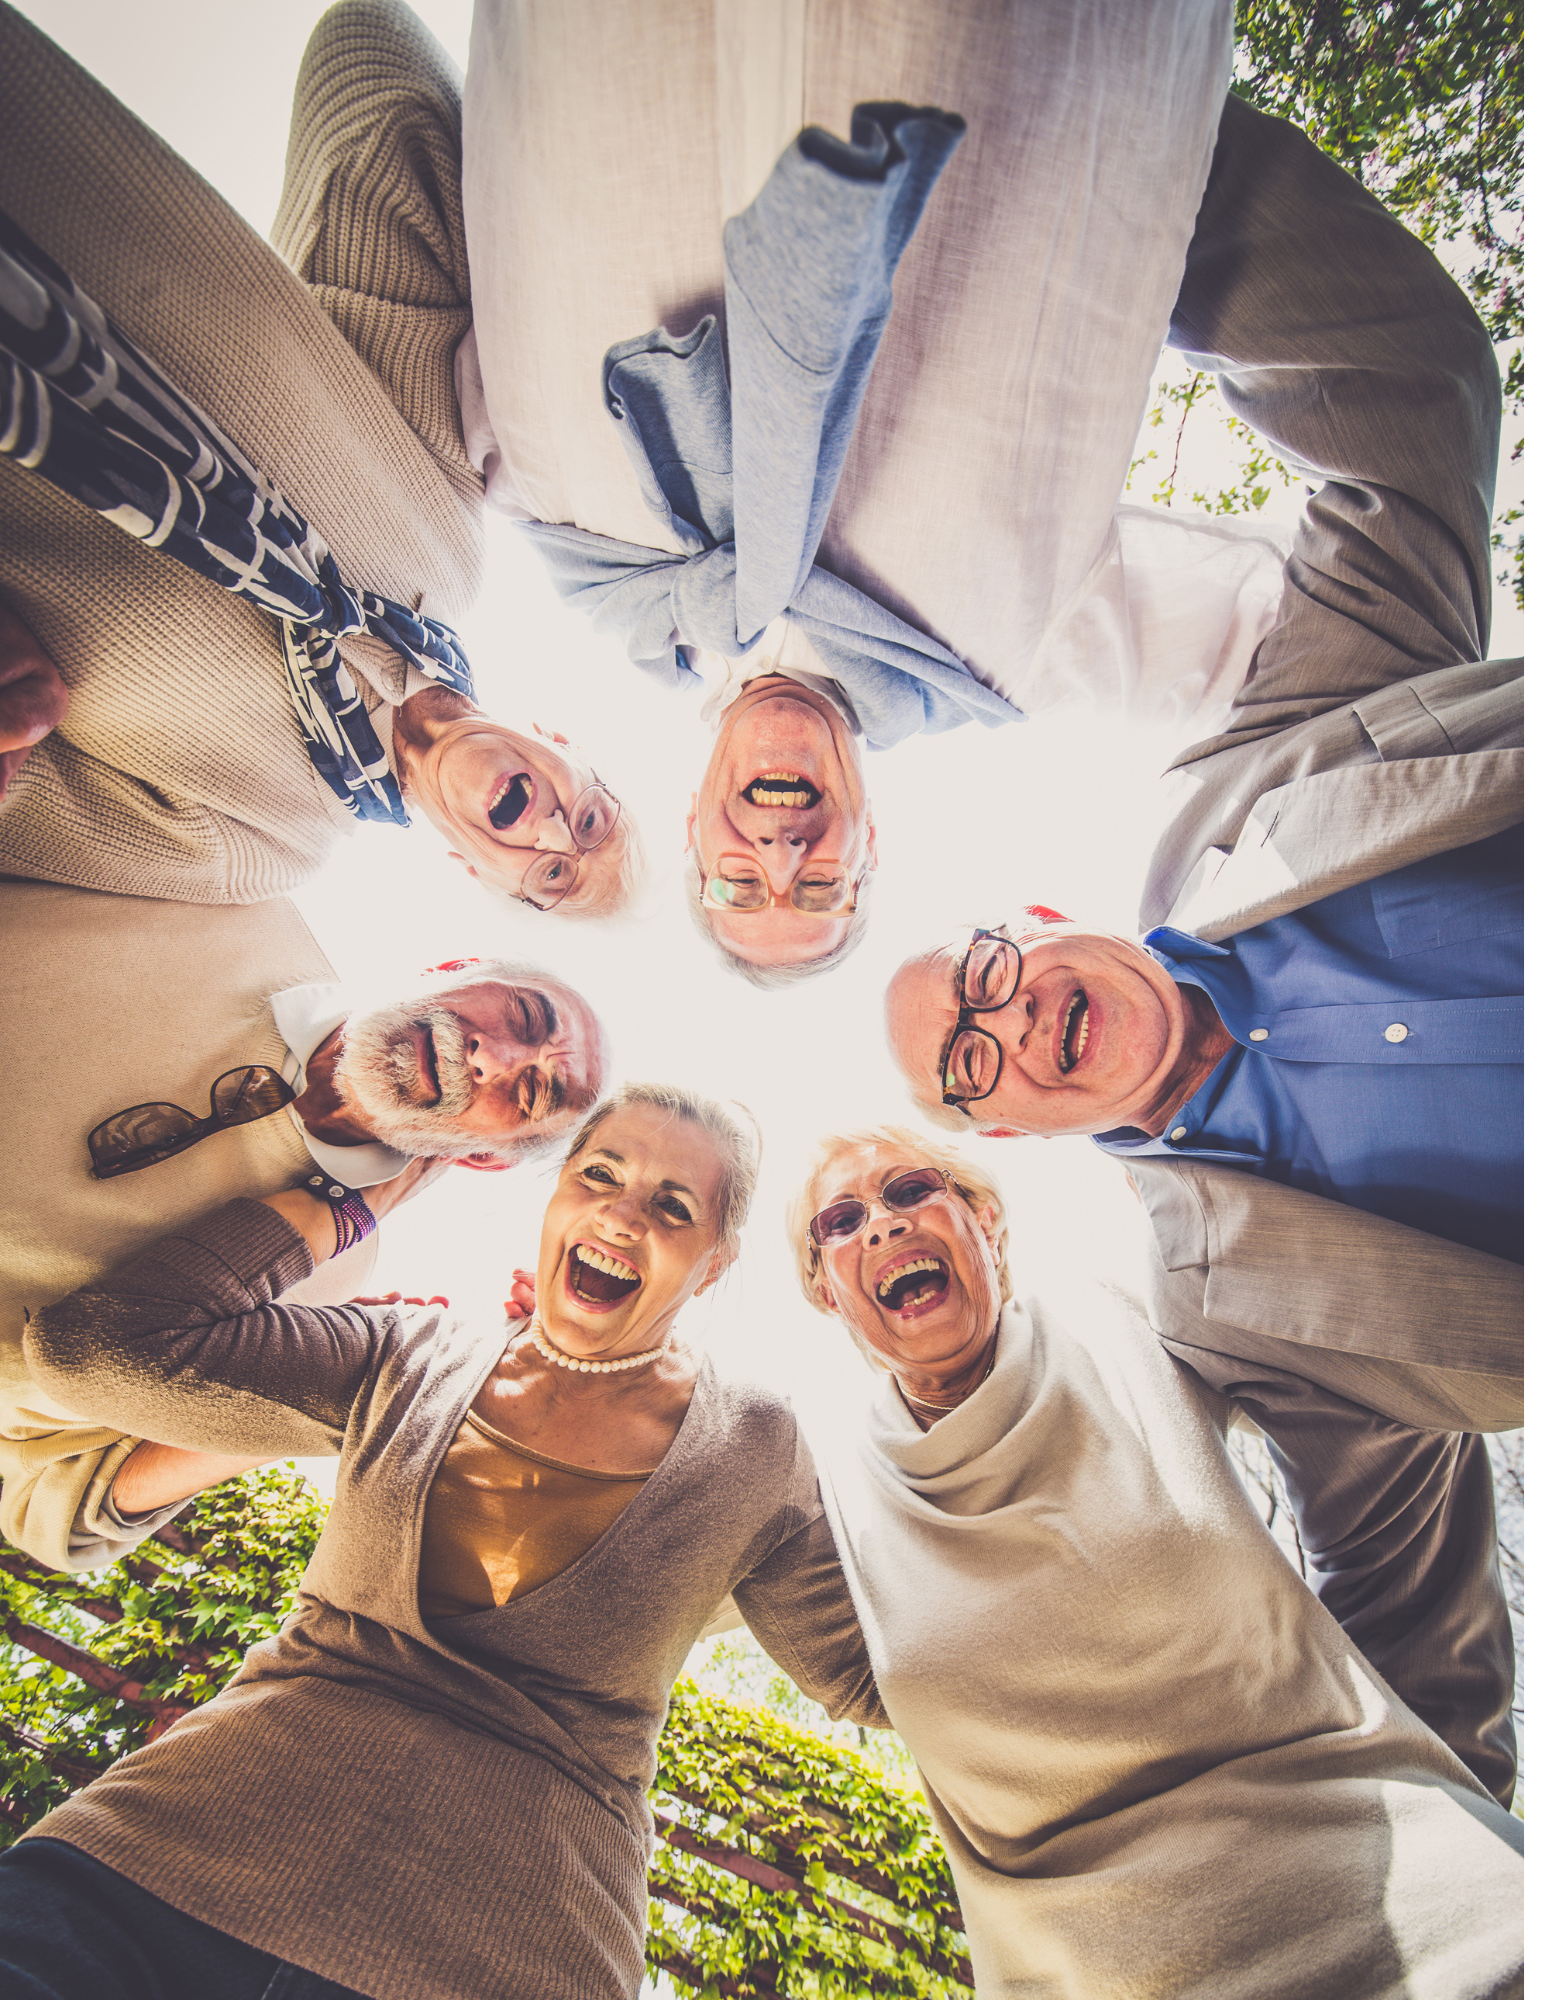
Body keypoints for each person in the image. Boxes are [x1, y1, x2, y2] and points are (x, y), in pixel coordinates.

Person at [460, 0, 1285, 979]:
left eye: (739, 884)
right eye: (820, 888)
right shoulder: (1026, 657)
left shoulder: (551, 519)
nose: (780, 855)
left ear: (689, 825)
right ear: (871, 848)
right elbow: (1299, 644)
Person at [2, 1082, 880, 2000]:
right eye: (599, 1175)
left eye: (672, 1206)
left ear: (711, 1263)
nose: (621, 1217)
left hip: (507, 1947)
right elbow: (96, 1348)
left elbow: (865, 1677)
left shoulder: (755, 1449)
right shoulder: (406, 1354)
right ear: (554, 1200)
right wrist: (358, 1200)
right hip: (159, 1868)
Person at [886, 95, 1520, 1315]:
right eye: (972, 1060)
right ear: (1005, 1131)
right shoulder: (1225, 1303)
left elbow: (1411, 419)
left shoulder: (1259, 781)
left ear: (1037, 918)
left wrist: (1100, 156)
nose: (1010, 1018)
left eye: (982, 968)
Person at [789, 1126, 1522, 1996]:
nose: (880, 1225)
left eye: (911, 1190)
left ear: (986, 1220)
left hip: (1429, 1922)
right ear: (826, 1291)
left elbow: (1393, 1434)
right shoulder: (818, 1488)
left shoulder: (1128, 1312)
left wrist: (1451, 1754)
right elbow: (841, 1672)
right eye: (840, 1221)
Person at [0, 0, 640, 917]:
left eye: (551, 876)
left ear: (479, 880)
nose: (550, 832)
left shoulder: (251, 846)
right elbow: (374, 60)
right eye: (591, 819)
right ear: (560, 743)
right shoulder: (443, 537)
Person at [0, 877, 608, 1572]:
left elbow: (56, 1508)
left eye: (530, 1092)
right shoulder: (233, 906)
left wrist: (338, 1389)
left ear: (479, 1158)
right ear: (447, 970)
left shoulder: (332, 1283)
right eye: (524, 1017)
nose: (491, 1058)